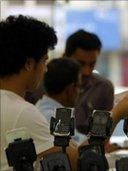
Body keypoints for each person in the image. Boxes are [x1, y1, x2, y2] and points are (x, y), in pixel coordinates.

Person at [0, 15, 78, 170]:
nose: (46, 69)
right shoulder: (23, 112)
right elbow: (75, 161)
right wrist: (116, 115)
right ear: (29, 63)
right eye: (44, 61)